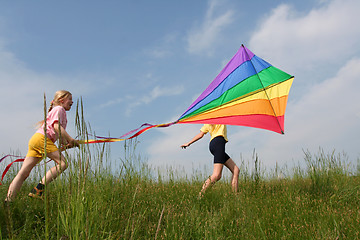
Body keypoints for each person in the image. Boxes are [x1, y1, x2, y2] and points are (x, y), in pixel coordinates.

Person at [5, 90, 79, 202]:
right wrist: (71, 139)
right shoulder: (59, 109)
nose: (72, 102)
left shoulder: (58, 111)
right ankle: (38, 191)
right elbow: (56, 126)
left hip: (37, 140)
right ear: (62, 100)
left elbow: (60, 135)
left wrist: (68, 144)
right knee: (63, 164)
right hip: (43, 140)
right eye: (70, 99)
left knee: (23, 173)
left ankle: (8, 201)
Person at [181, 124, 239, 197]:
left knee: (236, 170)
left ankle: (235, 196)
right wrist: (188, 143)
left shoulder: (207, 122)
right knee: (216, 175)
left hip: (214, 144)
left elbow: (200, 135)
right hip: (218, 143)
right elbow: (201, 135)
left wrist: (188, 143)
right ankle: (200, 196)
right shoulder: (220, 116)